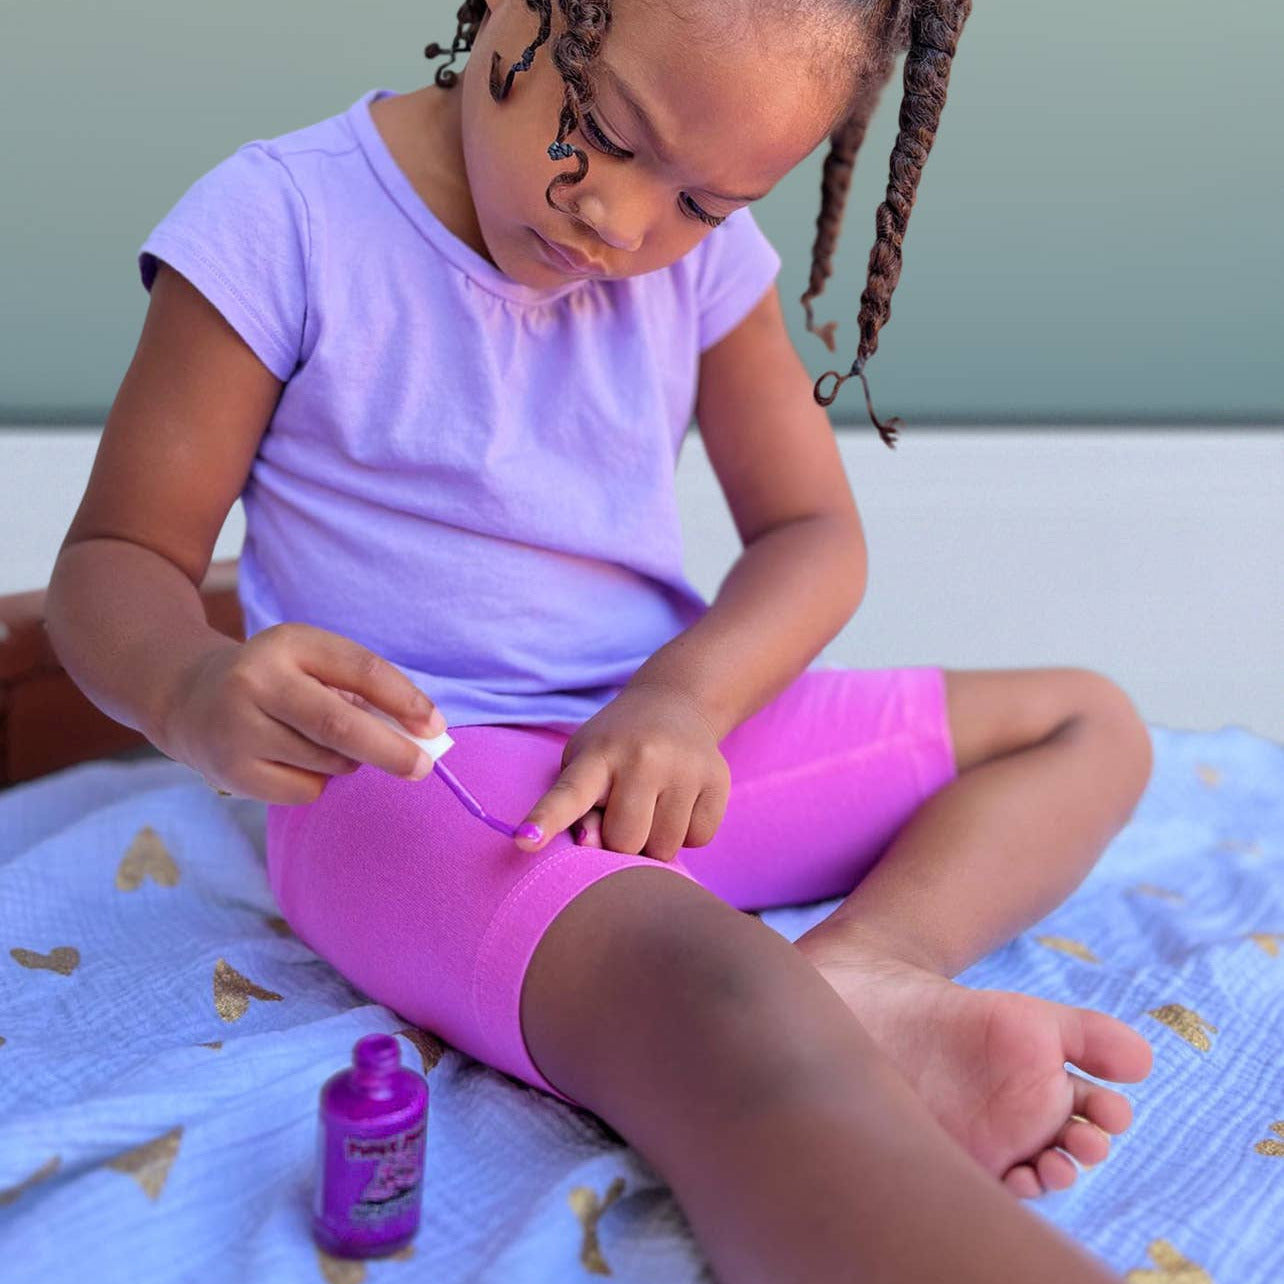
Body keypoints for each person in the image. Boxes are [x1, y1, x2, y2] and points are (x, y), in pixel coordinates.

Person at [44, 0, 1157, 1279]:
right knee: (715, 1001)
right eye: (611, 133)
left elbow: (812, 534)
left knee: (1089, 723)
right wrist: (189, 688)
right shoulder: (280, 221)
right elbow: (115, 562)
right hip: (417, 776)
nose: (627, 228)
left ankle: (869, 968)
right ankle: (820, 1054)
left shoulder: (699, 269)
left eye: (704, 204)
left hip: (651, 752)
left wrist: (685, 703)